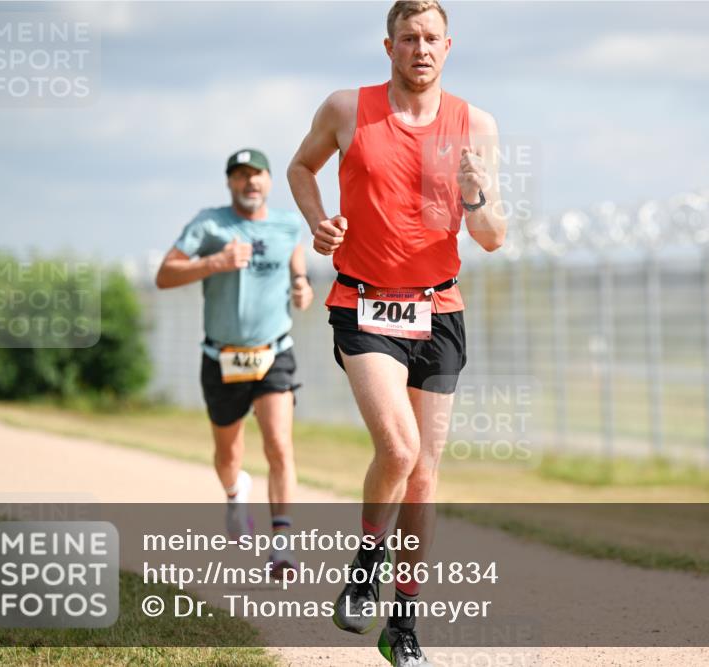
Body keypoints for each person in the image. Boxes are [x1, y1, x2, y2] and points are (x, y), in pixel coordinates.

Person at [287, 2, 507, 664]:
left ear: (449, 46)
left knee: (425, 473)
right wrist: (319, 222)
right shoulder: (346, 109)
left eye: (431, 38)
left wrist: (474, 197)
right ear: (388, 46)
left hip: (438, 309)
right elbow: (301, 167)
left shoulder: (476, 125)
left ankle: (402, 622)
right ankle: (364, 565)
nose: (420, 48)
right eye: (408, 38)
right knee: (400, 445)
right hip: (363, 304)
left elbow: (492, 237)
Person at [155, 148, 313, 578]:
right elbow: (165, 275)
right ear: (230, 183)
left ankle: (282, 545)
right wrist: (214, 262)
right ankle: (234, 493)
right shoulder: (210, 224)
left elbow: (294, 251)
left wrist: (301, 282)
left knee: (279, 444)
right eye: (241, 176)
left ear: (269, 181)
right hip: (221, 357)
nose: (250, 183)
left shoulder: (285, 223)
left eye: (257, 175)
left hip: (273, 352)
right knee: (228, 454)